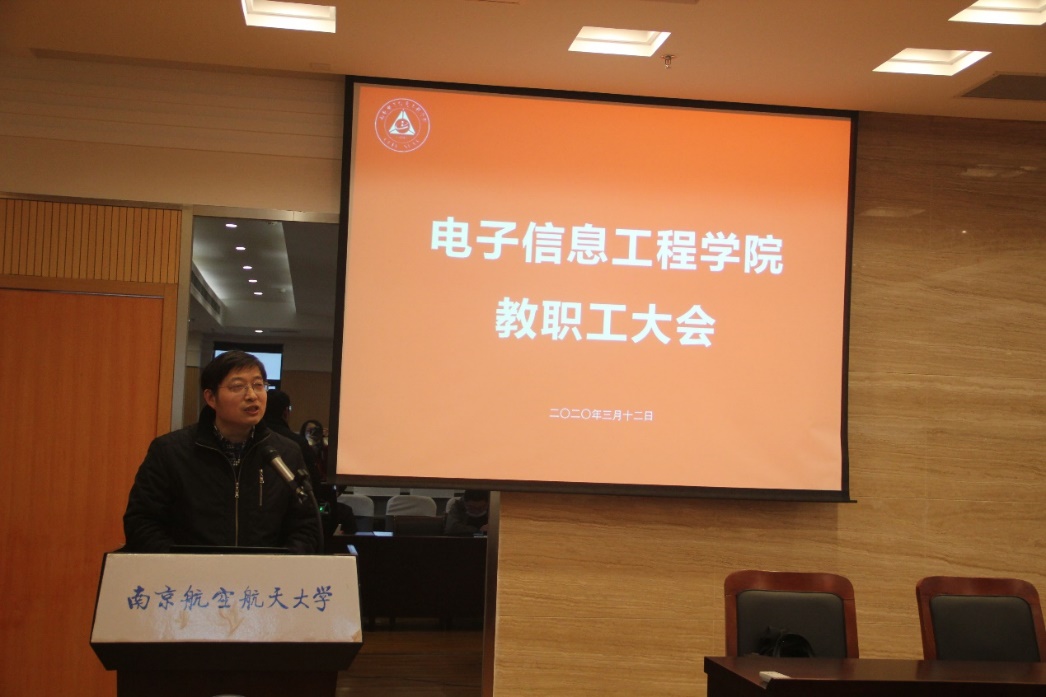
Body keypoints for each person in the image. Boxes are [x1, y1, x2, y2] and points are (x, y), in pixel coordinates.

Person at [123, 350, 322, 554]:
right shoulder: (170, 451)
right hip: (190, 572)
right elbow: (142, 522)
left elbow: (306, 526)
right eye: (238, 387)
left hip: (266, 572)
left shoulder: (287, 453)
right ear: (211, 398)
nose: (252, 395)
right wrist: (179, 564)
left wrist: (281, 563)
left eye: (258, 385)